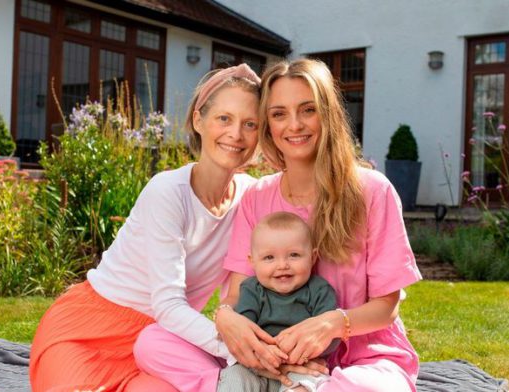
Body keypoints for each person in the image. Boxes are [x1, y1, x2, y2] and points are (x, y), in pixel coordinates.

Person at [135, 58, 422, 392]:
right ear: (268, 124)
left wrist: (331, 324)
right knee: (153, 342)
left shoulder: (372, 190)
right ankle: (241, 383)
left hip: (359, 358)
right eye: (279, 113)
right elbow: (236, 294)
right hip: (269, 355)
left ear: (327, 114)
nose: (294, 125)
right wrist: (227, 317)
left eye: (308, 110)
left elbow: (386, 307)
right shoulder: (257, 197)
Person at [28, 63, 262, 392]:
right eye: (224, 118)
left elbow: (302, 186)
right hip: (90, 332)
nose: (236, 134)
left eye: (250, 124)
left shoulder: (253, 197)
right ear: (199, 120)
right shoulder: (168, 191)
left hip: (162, 344)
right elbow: (168, 305)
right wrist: (248, 353)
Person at [218, 211, 339, 392]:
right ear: (252, 261)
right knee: (234, 379)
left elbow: (329, 336)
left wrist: (298, 353)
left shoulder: (319, 290)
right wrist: (264, 352)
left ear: (313, 257)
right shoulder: (251, 289)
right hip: (255, 367)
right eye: (269, 257)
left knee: (306, 386)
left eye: (294, 255)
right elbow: (245, 328)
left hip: (302, 367)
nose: (282, 265)